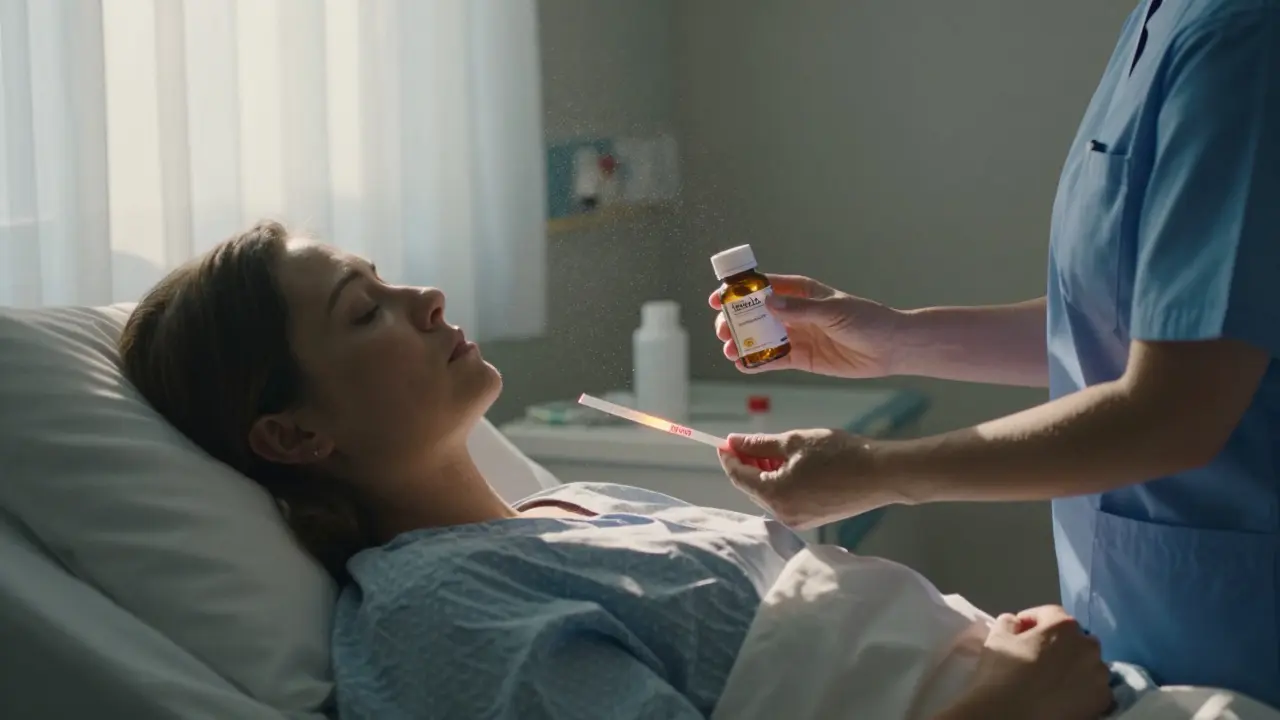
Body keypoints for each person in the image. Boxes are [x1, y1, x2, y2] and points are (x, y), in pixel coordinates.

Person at [118, 221, 1116, 719]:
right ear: (291, 436)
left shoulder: (587, 505)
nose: (423, 294)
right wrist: (1008, 708)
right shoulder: (435, 611)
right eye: (363, 310)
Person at [710, 0, 1280, 708]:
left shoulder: (1244, 37)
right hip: (1144, 621)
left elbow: (1177, 405)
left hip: (1239, 629)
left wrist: (880, 471)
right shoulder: (1160, 21)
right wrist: (893, 337)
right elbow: (1124, 326)